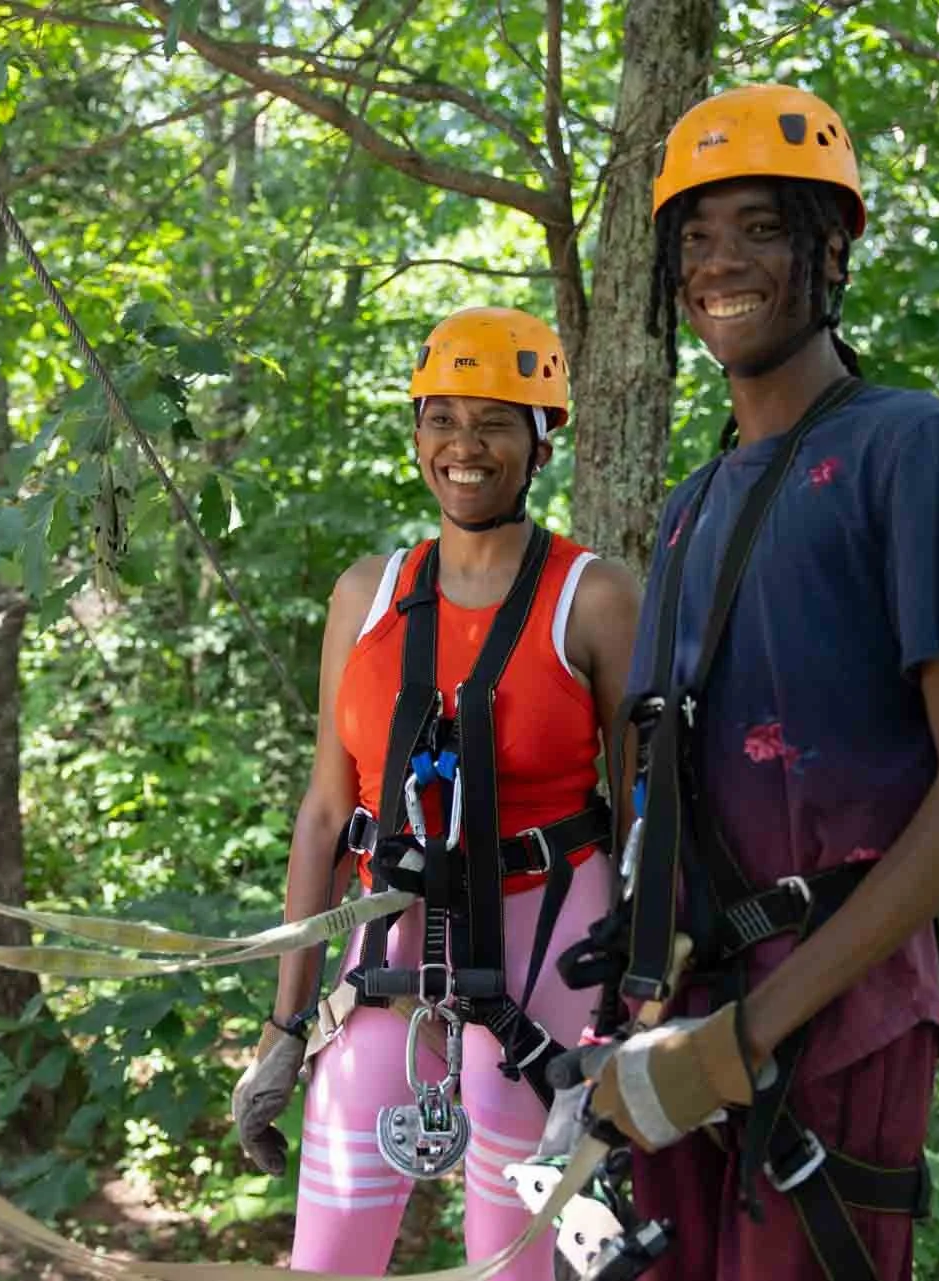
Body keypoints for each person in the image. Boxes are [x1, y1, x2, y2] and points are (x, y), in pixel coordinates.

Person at [563, 84, 939, 1280]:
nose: (724, 263)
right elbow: (665, 772)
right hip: (686, 1026)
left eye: (762, 228)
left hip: (837, 1015)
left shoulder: (906, 447)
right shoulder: (688, 508)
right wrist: (647, 995)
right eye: (698, 238)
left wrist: (747, 1039)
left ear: (831, 247)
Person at [228, 306, 642, 1277]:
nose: (463, 445)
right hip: (387, 961)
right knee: (326, 1256)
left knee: (511, 1257)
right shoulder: (366, 595)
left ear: (541, 441)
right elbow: (329, 814)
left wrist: (624, 1021)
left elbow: (641, 823)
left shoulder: (595, 598)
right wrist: (285, 1026)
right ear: (416, 432)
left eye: (495, 420)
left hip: (544, 967)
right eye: (440, 417)